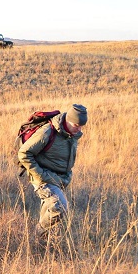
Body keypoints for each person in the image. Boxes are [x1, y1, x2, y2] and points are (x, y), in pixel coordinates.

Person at [17, 104, 87, 243]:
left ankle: (39, 244)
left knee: (49, 209)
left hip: (59, 179)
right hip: (44, 178)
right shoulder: (48, 132)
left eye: (81, 126)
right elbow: (24, 153)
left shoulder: (72, 134)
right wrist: (41, 175)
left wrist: (66, 176)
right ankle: (37, 234)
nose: (79, 129)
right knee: (59, 207)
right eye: (76, 125)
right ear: (67, 120)